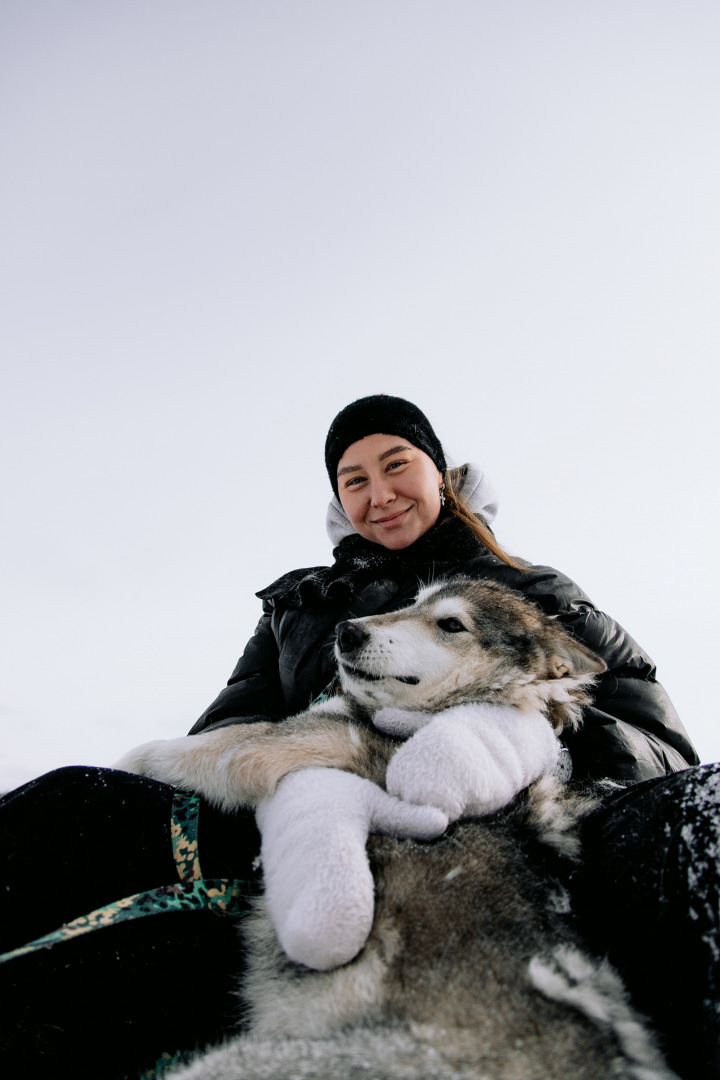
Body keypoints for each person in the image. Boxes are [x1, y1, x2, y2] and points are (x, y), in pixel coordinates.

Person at [0, 394, 715, 1080]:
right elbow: (228, 725)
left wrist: (526, 745)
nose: (380, 493)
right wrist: (317, 751)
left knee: (699, 819)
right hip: (313, 805)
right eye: (355, 479)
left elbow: (652, 734)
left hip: (524, 824)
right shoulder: (300, 605)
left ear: (440, 470)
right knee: (71, 804)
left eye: (397, 464)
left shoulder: (531, 589)